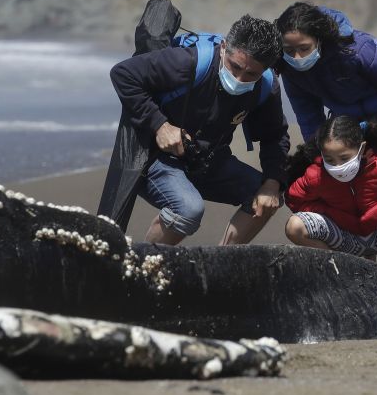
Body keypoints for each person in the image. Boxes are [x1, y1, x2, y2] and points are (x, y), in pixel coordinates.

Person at [104, 14, 289, 246]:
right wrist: (160, 125)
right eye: (235, 66)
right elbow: (123, 74)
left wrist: (273, 183)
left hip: (206, 160)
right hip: (157, 157)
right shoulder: (187, 62)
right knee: (189, 209)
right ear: (223, 48)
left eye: (251, 74)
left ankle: (224, 262)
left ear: (266, 69)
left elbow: (275, 136)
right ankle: (147, 270)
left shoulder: (266, 87)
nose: (239, 78)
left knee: (263, 196)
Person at [284, 115, 377, 281]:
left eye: (344, 158)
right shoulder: (316, 176)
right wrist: (328, 212)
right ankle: (339, 269)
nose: (338, 166)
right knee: (294, 226)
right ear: (321, 154)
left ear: (362, 148)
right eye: (329, 159)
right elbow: (294, 198)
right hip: (343, 241)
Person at [275, 2, 377, 141]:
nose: (297, 57)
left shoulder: (357, 50)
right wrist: (316, 154)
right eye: (289, 50)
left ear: (319, 39)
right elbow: (308, 116)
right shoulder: (289, 68)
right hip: (346, 125)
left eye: (304, 48)